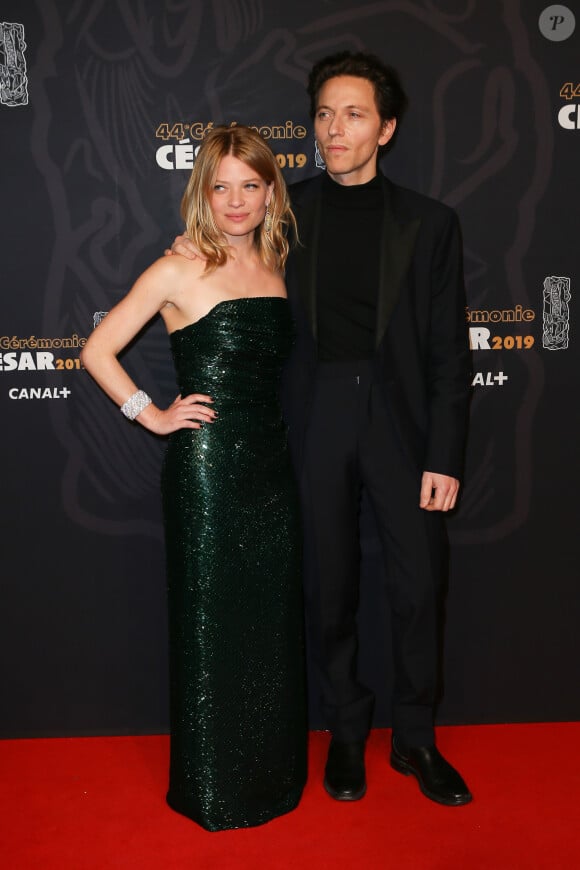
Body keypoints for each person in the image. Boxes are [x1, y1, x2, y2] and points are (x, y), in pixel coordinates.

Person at [172, 51, 473, 807]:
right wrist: (191, 246)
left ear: (387, 129)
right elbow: (224, 246)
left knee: (417, 583)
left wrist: (445, 453)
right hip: (312, 419)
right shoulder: (285, 213)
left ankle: (415, 739)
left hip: (402, 424)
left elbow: (447, 349)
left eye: (354, 115)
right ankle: (345, 733)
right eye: (324, 114)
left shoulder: (431, 224)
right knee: (328, 582)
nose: (334, 130)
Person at [81, 125, 307, 831]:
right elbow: (98, 350)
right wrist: (149, 415)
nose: (236, 201)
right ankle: (216, 789)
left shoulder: (277, 265)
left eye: (250, 185)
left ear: (270, 191)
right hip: (208, 474)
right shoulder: (176, 268)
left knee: (267, 627)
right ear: (202, 193)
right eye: (221, 186)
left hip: (271, 467)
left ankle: (270, 775)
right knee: (212, 629)